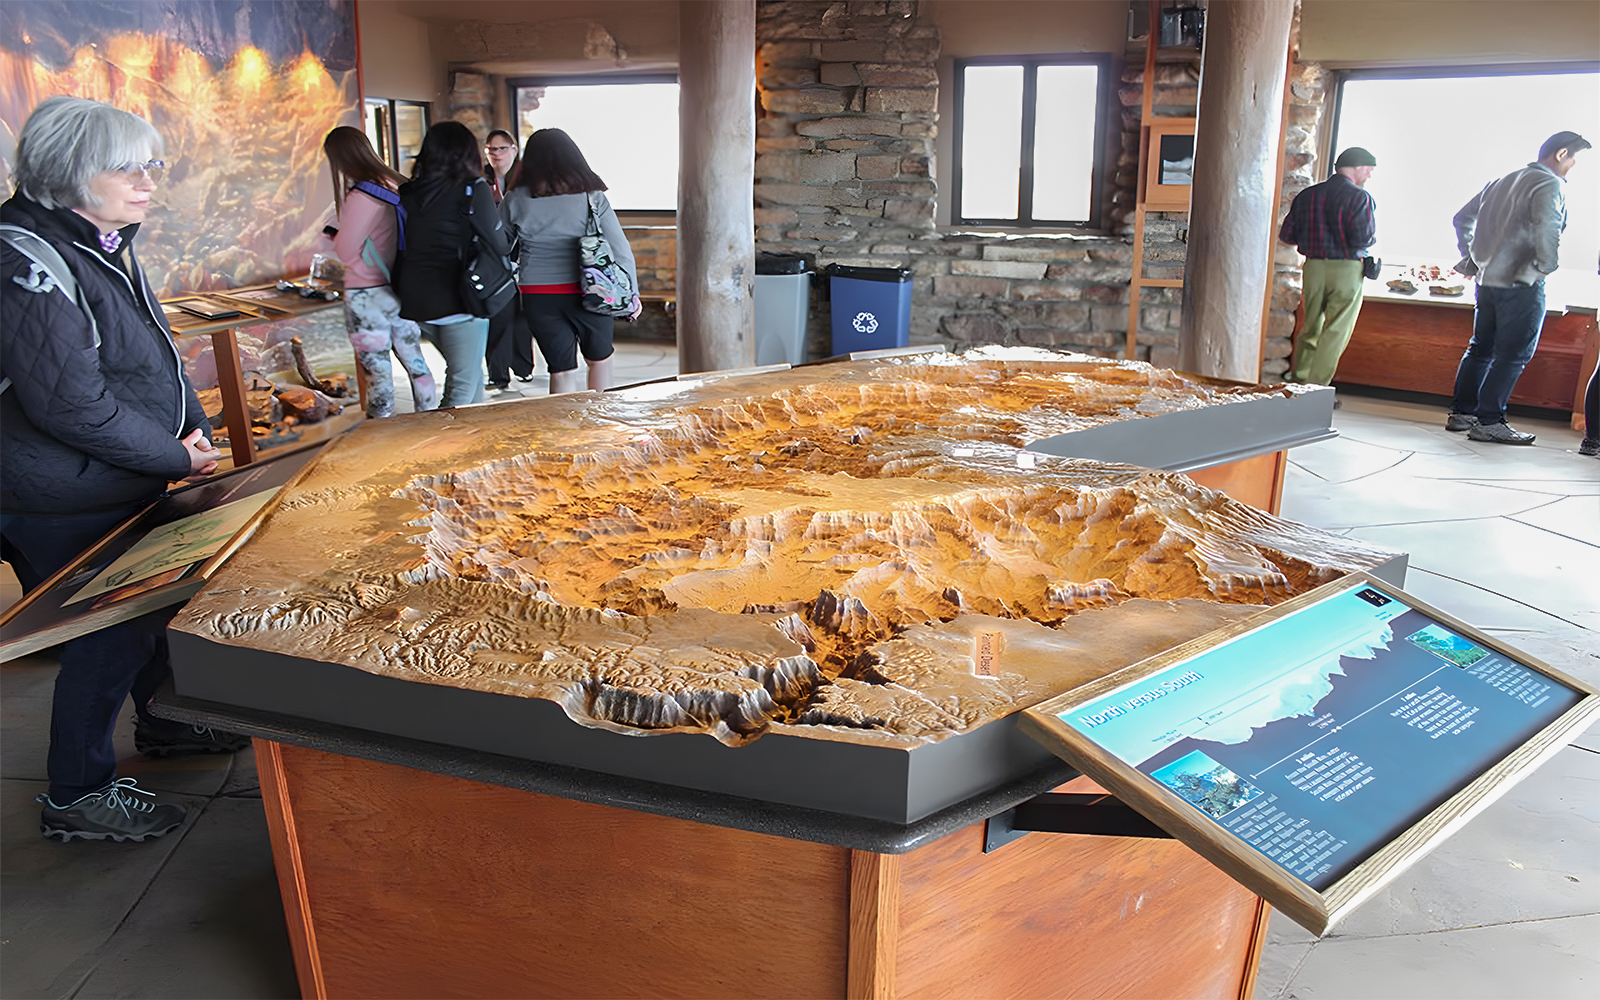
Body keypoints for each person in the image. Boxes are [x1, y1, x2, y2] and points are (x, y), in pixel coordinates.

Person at [1, 96, 244, 843]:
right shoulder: (26, 260)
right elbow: (69, 405)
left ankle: (167, 724)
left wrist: (193, 429)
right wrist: (175, 454)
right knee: (110, 634)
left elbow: (153, 355)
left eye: (152, 165)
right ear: (68, 172)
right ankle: (77, 794)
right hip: (53, 491)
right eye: (126, 167)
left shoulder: (99, 239)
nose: (148, 182)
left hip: (103, 473)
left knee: (139, 616)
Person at [1446, 131, 1590, 445]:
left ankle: (1462, 414)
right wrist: (1545, 267)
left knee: (1480, 348)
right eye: (1575, 158)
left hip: (1487, 282)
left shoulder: (1499, 181)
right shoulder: (1549, 183)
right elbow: (1547, 225)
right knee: (1512, 355)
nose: (1575, 165)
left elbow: (1462, 218)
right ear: (1562, 153)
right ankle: (1489, 422)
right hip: (1521, 283)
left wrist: (1472, 260)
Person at [500, 128, 641, 395]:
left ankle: (562, 432)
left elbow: (501, 244)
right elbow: (619, 248)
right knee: (599, 360)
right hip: (591, 290)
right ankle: (600, 426)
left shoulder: (515, 198)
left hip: (537, 293)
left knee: (561, 369)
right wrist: (631, 294)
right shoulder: (592, 197)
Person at [321, 126, 439, 418]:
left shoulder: (362, 195)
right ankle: (431, 420)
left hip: (366, 294)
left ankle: (380, 436)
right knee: (416, 363)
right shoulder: (396, 183)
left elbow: (347, 251)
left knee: (377, 370)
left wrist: (330, 237)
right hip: (400, 286)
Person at [395, 120, 513, 407]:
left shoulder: (410, 191)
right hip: (460, 297)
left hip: (415, 297)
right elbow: (498, 244)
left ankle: (473, 444)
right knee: (460, 385)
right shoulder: (473, 188)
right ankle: (441, 446)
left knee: (471, 373)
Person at [1278, 147, 1378, 387]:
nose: (1370, 175)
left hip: (1313, 268)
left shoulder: (1307, 195)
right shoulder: (1360, 197)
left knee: (1310, 325)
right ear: (1358, 167)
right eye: (1369, 169)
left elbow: (1287, 235)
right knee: (1335, 331)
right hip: (1346, 270)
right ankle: (1316, 389)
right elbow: (1363, 239)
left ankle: (1299, 381)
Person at [481, 129, 535, 389]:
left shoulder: (526, 180)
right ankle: (498, 373)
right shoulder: (481, 179)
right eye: (491, 148)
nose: (496, 154)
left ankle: (523, 366)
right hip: (492, 256)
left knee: (521, 316)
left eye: (502, 148)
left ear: (514, 149)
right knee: (498, 314)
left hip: (523, 254)